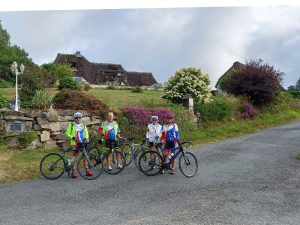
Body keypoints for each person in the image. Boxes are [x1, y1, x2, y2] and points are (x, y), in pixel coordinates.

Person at [66, 112, 93, 178]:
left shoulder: (83, 125)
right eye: (76, 117)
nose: (78, 119)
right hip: (75, 143)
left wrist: (87, 138)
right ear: (74, 118)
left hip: (83, 143)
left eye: (79, 117)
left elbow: (86, 132)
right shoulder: (71, 125)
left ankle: (87, 171)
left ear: (80, 118)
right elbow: (67, 133)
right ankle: (73, 172)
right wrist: (73, 137)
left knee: (85, 156)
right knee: (75, 157)